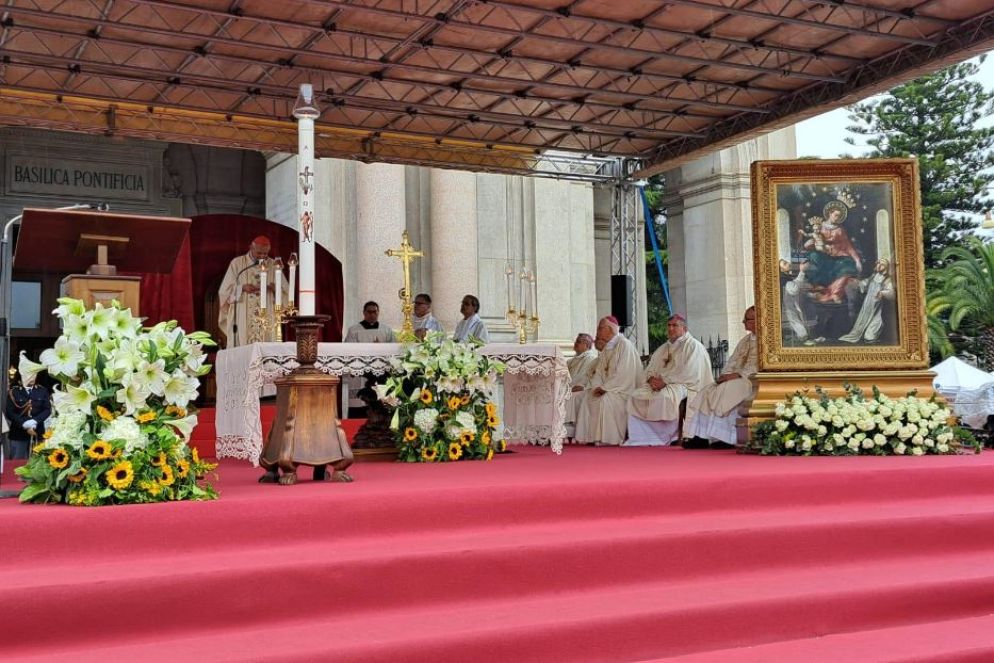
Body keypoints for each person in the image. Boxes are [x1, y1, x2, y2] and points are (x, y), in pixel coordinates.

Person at [626, 315, 713, 446]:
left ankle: (669, 437)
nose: (671, 328)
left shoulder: (693, 346)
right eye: (669, 325)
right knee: (635, 396)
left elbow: (691, 373)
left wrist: (665, 381)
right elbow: (651, 368)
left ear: (684, 328)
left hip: (684, 385)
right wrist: (651, 380)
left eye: (675, 325)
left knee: (664, 397)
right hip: (660, 384)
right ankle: (642, 437)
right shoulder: (664, 347)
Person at [684, 306, 757, 450]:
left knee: (727, 390)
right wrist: (725, 375)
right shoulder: (745, 340)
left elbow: (761, 365)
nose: (743, 322)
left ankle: (724, 438)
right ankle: (701, 436)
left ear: (757, 320)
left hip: (752, 381)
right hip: (737, 378)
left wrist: (737, 375)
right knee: (708, 390)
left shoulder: (767, 342)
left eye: (746, 319)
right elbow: (733, 360)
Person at [575, 317, 641, 446]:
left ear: (610, 329)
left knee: (606, 400)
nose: (597, 331)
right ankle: (592, 437)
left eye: (600, 328)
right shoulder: (607, 348)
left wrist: (605, 388)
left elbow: (624, 374)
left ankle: (609, 438)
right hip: (607, 388)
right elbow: (599, 372)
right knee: (588, 397)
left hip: (622, 390)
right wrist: (596, 387)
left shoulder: (624, 345)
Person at [217, 236, 288, 348]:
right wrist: (242, 288)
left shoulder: (274, 265)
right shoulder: (237, 264)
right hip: (242, 314)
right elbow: (224, 292)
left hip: (267, 315)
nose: (262, 256)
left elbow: (286, 293)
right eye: (259, 253)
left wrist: (275, 289)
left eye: (265, 254)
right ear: (251, 247)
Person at [802, 200, 862, 303]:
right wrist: (810, 244)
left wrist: (857, 260)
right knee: (814, 256)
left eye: (839, 216)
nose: (837, 218)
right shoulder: (819, 226)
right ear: (830, 213)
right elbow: (813, 241)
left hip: (839, 257)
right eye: (835, 215)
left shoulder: (840, 230)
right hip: (824, 256)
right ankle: (822, 289)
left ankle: (834, 294)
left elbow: (848, 246)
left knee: (848, 267)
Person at [344, 301, 396, 417]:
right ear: (364, 313)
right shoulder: (354, 330)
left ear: (378, 313)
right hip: (360, 372)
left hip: (381, 370)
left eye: (375, 312)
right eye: (369, 312)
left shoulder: (386, 330)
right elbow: (349, 350)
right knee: (359, 403)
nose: (372, 314)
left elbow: (393, 349)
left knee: (381, 400)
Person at [839, 258, 895, 344]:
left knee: (870, 334)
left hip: (878, 304)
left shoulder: (887, 279)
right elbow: (865, 283)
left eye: (882, 265)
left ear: (886, 267)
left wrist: (882, 293)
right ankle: (862, 333)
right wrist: (857, 282)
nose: (879, 266)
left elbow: (891, 292)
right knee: (863, 318)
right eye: (878, 264)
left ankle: (871, 333)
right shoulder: (874, 275)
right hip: (868, 301)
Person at [4, 364, 51, 459]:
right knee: (16, 465)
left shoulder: (42, 391)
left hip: (37, 433)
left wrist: (34, 421)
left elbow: (47, 409)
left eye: (34, 375)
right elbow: (10, 412)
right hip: (18, 434)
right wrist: (25, 423)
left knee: (37, 464)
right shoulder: (14, 392)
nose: (33, 377)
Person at [565, 333, 599, 439]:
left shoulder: (590, 358)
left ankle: (569, 425)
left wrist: (575, 386)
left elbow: (583, 376)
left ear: (587, 345)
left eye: (579, 342)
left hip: (583, 388)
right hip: (570, 387)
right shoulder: (573, 360)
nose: (575, 344)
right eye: (576, 341)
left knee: (572, 396)